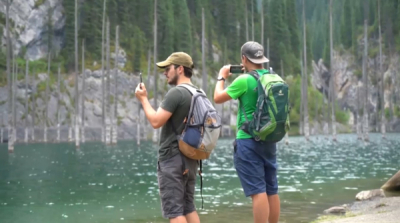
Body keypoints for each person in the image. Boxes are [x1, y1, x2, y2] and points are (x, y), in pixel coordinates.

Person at [213, 41, 280, 223]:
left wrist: (221, 77)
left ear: (244, 58)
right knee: (271, 189)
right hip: (270, 138)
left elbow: (218, 97)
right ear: (261, 58)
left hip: (248, 141)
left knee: (258, 192)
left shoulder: (243, 80)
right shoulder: (273, 77)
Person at [135, 52, 201, 223]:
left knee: (175, 211)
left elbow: (156, 121)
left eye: (168, 68)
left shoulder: (176, 93)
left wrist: (143, 99)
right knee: (188, 207)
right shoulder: (197, 92)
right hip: (191, 158)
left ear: (180, 69)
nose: (165, 72)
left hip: (172, 158)